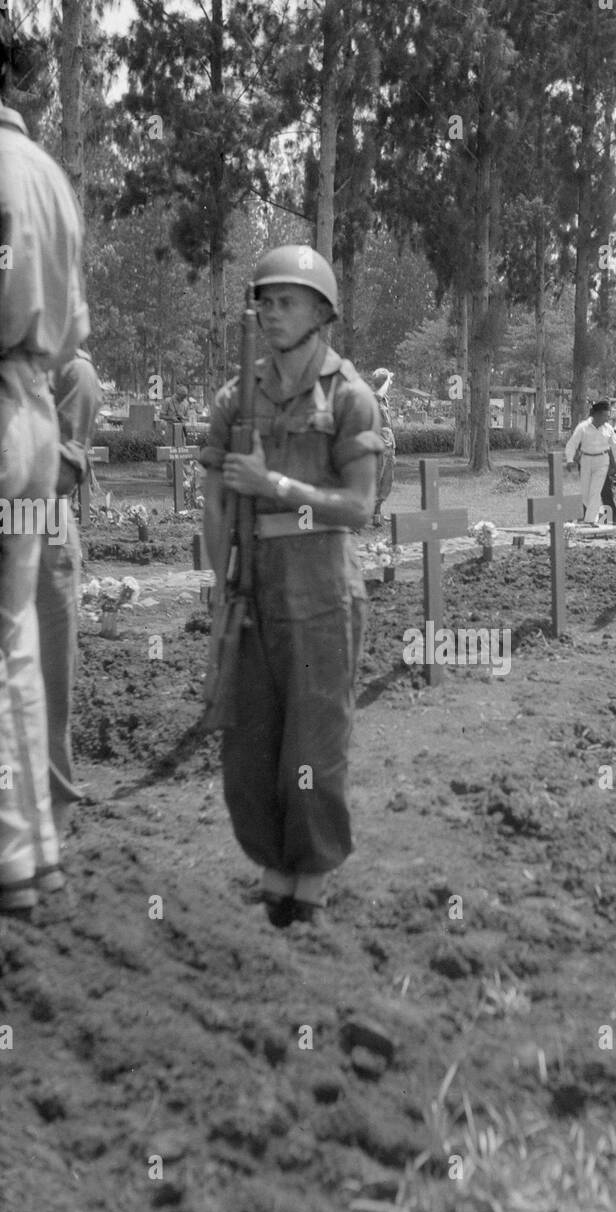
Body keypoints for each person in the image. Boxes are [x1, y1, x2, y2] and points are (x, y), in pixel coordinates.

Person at [201, 245, 384, 929]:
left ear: (321, 313)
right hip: (252, 591)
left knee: (313, 744)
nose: (272, 314)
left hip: (321, 594)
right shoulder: (234, 397)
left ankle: (310, 877)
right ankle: (273, 867)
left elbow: (359, 508)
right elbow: (216, 505)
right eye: (265, 302)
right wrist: (221, 590)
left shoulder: (348, 398)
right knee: (249, 744)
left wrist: (276, 487)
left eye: (288, 302)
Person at [0, 17, 90, 918]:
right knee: (14, 631)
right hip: (31, 418)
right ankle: (32, 852)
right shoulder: (49, 179)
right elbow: (73, 333)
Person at [36, 347, 101, 838]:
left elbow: (57, 475)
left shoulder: (71, 370)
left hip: (42, 543)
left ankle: (54, 822)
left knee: (46, 687)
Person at [564, 399, 616, 525]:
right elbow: (572, 444)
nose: (607, 419)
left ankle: (590, 520)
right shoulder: (583, 427)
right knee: (585, 492)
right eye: (605, 416)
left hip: (602, 461)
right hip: (586, 460)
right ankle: (591, 517)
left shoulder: (608, 428)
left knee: (596, 490)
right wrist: (569, 460)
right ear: (597, 414)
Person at [370, 367, 396, 527]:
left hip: (389, 446)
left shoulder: (385, 399)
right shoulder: (374, 398)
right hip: (379, 446)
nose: (391, 383)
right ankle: (359, 520)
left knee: (387, 481)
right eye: (389, 380)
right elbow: (378, 395)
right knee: (375, 481)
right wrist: (386, 380)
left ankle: (377, 514)